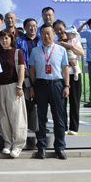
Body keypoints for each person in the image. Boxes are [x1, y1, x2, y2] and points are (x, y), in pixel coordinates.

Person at [28, 25, 70, 160]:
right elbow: (32, 70)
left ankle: (60, 147)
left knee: (59, 118)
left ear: (53, 34)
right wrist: (32, 86)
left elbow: (65, 69)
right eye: (43, 33)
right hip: (40, 85)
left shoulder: (61, 50)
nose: (46, 36)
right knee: (40, 118)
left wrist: (66, 86)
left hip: (57, 84)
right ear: (40, 35)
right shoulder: (35, 51)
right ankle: (41, 147)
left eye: (48, 33)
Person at [0, 31, 27, 157]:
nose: (4, 41)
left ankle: (18, 145)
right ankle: (7, 142)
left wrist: (19, 86)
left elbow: (21, 70)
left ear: (11, 39)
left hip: (14, 86)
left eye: (6, 38)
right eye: (2, 38)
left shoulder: (17, 52)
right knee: (3, 116)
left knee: (16, 115)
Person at [54, 21, 84, 134]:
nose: (59, 31)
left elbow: (81, 53)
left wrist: (70, 46)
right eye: (56, 29)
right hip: (61, 76)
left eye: (61, 29)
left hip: (75, 75)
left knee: (74, 102)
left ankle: (73, 128)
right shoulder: (56, 43)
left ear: (65, 28)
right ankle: (63, 127)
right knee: (61, 103)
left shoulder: (74, 40)